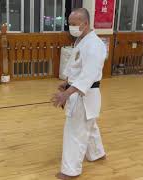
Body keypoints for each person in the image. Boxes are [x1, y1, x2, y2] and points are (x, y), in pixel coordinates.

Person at [51, 8, 107, 180]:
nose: (71, 27)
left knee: (75, 132)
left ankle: (70, 171)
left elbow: (88, 75)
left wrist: (66, 93)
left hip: (85, 94)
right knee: (88, 125)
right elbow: (78, 69)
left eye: (75, 24)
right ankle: (97, 153)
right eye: (70, 24)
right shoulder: (82, 40)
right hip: (83, 93)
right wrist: (67, 83)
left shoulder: (95, 45)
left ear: (85, 23)